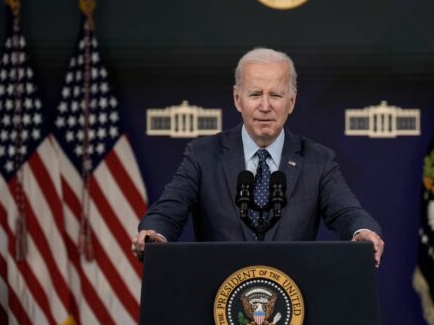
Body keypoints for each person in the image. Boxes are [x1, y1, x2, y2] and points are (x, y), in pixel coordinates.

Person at [132, 48, 385, 266]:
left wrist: (362, 232)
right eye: (255, 94)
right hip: (219, 298)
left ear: (292, 101)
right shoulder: (203, 155)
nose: (265, 106)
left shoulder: (317, 160)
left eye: (275, 95)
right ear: (237, 99)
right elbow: (169, 210)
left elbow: (347, 212)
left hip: (293, 300)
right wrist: (155, 233)